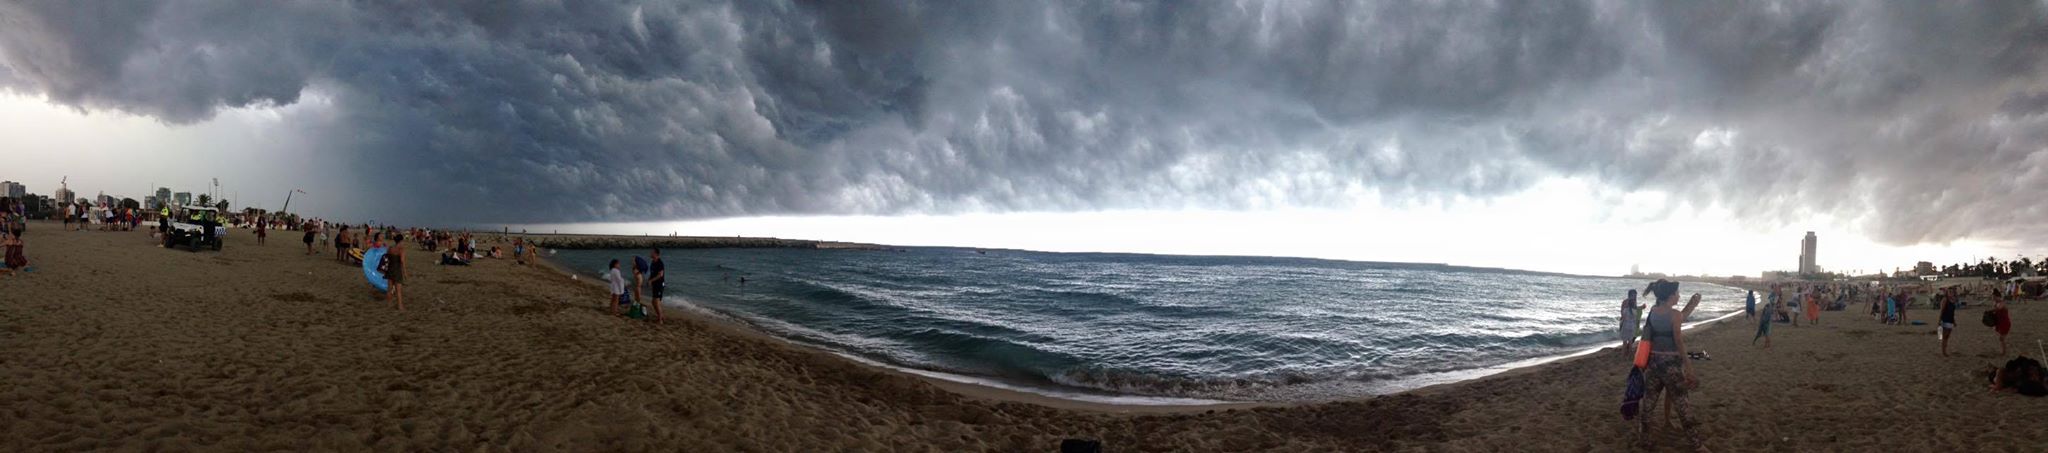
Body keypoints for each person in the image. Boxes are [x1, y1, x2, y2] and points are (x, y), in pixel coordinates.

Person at [1637, 281, 1705, 451]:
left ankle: (1644, 439)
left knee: (1648, 404)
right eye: (1677, 293)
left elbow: (1676, 320)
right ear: (1670, 296)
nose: (1679, 295)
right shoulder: (1674, 314)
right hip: (1671, 367)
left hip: (1653, 364)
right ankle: (1697, 445)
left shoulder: (1653, 311)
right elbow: (1678, 340)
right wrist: (1689, 366)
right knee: (1683, 406)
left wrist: (1692, 304)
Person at [387, 236, 407, 311]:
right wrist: (405, 273)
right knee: (398, 290)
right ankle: (400, 306)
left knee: (389, 288)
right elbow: (402, 261)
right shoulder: (401, 250)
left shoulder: (390, 248)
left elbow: (387, 257)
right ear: (401, 241)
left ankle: (389, 305)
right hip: (397, 270)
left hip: (390, 269)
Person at [1940, 287, 1960, 357]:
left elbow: (1952, 312)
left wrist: (1954, 321)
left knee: (1947, 337)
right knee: (1945, 336)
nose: (1951, 293)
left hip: (1950, 320)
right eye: (1950, 292)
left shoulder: (1952, 300)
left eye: (1952, 292)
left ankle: (1945, 350)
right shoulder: (1945, 300)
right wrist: (1939, 320)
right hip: (1945, 319)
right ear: (1947, 293)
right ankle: (1944, 351)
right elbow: (1942, 311)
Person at [649, 248, 666, 323]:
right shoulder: (653, 262)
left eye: (652, 252)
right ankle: (661, 316)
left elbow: (660, 274)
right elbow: (652, 273)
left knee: (656, 301)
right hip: (654, 284)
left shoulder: (660, 263)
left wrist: (651, 280)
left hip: (659, 284)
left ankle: (660, 320)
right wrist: (649, 280)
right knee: (653, 302)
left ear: (656, 254)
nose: (650, 253)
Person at [1993, 291, 2012, 356]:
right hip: (2000, 322)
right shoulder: (1997, 303)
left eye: (1995, 297)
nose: (1994, 298)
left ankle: (2004, 352)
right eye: (1993, 297)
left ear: (1998, 297)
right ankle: (2003, 351)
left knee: (2002, 338)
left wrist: (1994, 307)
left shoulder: (2002, 303)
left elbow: (1999, 309)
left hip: (2005, 322)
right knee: (2001, 338)